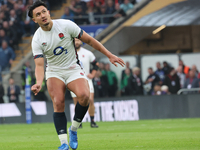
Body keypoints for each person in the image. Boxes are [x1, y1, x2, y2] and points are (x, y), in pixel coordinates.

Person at [28, 1, 125, 150]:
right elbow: (40, 65)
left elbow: (90, 40)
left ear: (48, 12)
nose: (42, 16)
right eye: (38, 14)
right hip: (54, 71)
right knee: (59, 102)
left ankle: (73, 129)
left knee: (85, 96)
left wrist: (109, 55)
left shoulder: (66, 25)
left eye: (43, 12)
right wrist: (39, 82)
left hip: (73, 68)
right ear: (35, 20)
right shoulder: (37, 39)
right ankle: (63, 143)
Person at [70, 38, 99, 128]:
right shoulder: (69, 53)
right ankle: (79, 122)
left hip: (86, 80)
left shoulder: (87, 53)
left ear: (81, 42)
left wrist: (93, 74)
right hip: (73, 80)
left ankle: (92, 121)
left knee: (90, 100)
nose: (77, 42)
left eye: (78, 40)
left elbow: (96, 64)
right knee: (77, 102)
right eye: (75, 41)